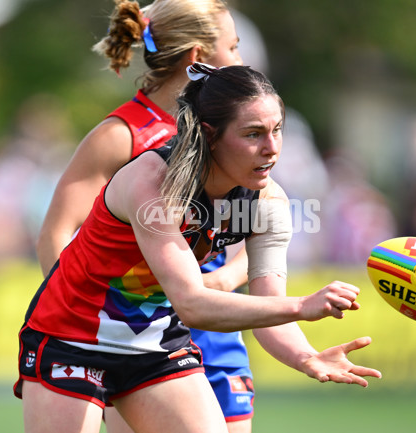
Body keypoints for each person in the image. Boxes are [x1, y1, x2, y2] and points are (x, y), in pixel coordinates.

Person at [16, 63, 381, 433]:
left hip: (155, 343)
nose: (271, 149)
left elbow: (269, 308)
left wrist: (308, 357)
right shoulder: (153, 183)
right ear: (210, 135)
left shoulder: (266, 203)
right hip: (71, 336)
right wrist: (302, 307)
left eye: (277, 131)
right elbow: (192, 304)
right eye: (253, 134)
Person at [35, 1, 254, 431]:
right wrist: (89, 327)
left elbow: (252, 232)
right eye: (233, 47)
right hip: (134, 334)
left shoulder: (233, 135)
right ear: (198, 58)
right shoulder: (121, 137)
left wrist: (225, 280)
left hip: (215, 329)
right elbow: (56, 233)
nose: (241, 61)